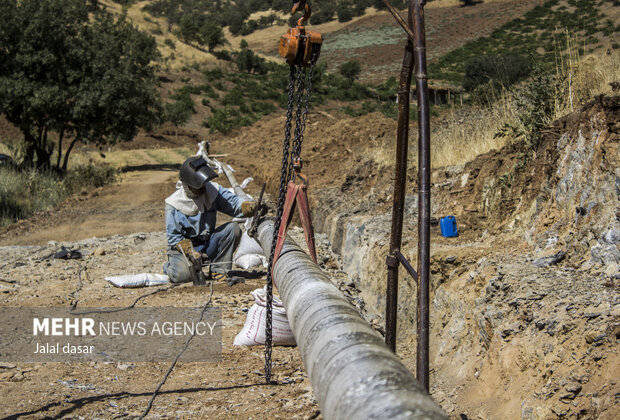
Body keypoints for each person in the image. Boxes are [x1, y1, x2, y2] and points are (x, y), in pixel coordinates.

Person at [163, 156, 256, 283]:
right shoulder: (173, 204)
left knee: (233, 229)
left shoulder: (212, 191)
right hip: (184, 251)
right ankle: (169, 267)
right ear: (188, 185)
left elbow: (232, 203)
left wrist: (247, 207)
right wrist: (191, 253)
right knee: (181, 276)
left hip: (207, 244)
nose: (203, 188)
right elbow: (174, 238)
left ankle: (218, 270)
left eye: (203, 184)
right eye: (198, 186)